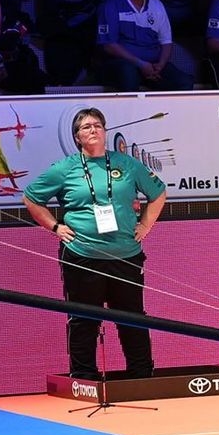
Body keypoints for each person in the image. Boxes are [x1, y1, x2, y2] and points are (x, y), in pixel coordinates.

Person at [23, 107, 167, 381]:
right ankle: (83, 377)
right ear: (77, 137)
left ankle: (141, 375)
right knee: (83, 319)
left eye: (98, 125)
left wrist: (145, 225)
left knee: (133, 318)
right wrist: (55, 226)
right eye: (86, 126)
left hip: (126, 254)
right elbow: (31, 198)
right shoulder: (65, 168)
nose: (93, 130)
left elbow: (158, 194)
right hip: (82, 254)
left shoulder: (126, 164)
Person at [97, 0, 193, 92]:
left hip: (153, 64)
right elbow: (109, 46)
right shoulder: (111, 5)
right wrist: (140, 64)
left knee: (183, 82)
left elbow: (166, 42)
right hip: (123, 63)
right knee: (128, 75)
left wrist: (161, 64)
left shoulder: (157, 4)